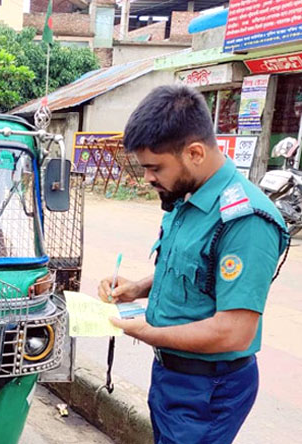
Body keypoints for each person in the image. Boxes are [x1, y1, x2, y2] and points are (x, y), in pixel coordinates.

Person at [98, 85, 289, 444]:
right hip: (173, 376)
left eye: (155, 167)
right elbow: (191, 266)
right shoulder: (188, 196)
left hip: (208, 388)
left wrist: (147, 331)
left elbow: (234, 331)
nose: (148, 178)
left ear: (195, 152)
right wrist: (138, 287)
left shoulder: (244, 220)